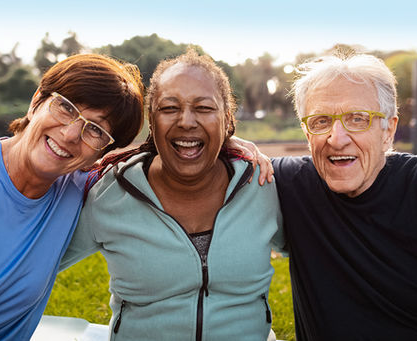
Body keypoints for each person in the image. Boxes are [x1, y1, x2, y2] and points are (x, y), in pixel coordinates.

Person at [61, 50, 284, 341]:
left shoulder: (265, 185)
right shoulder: (107, 195)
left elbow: (321, 249)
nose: (187, 121)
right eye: (169, 108)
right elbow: (33, 264)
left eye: (204, 108)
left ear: (228, 120)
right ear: (152, 123)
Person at [0, 53, 144, 340]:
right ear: (37, 101)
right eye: (67, 108)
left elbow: (157, 160)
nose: (71, 134)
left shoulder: (80, 188)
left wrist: (225, 143)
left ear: (101, 152)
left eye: (95, 130)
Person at [272, 53, 417, 340]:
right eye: (321, 121)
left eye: (358, 119)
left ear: (388, 130)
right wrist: (232, 145)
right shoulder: (289, 185)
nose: (337, 138)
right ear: (306, 132)